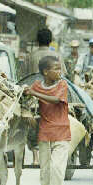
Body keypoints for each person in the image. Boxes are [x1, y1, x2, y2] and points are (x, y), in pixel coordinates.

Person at [24, 56, 72, 185]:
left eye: (60, 68)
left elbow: (55, 100)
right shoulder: (37, 85)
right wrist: (25, 93)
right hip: (44, 134)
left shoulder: (62, 85)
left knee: (57, 170)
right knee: (45, 172)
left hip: (61, 134)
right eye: (56, 69)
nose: (60, 72)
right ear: (45, 71)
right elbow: (28, 97)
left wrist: (34, 93)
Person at [24, 28, 67, 165]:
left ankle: (36, 156)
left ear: (37, 41)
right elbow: (63, 75)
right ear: (50, 41)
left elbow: (24, 76)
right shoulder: (57, 56)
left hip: (32, 95)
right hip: (50, 94)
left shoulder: (30, 56)